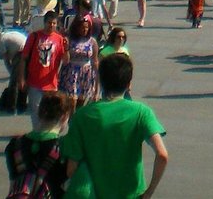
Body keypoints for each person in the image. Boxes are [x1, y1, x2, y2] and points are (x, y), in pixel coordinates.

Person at [61, 53, 168, 199]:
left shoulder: (82, 115)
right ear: (128, 83)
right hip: (131, 194)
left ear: (101, 80)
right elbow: (162, 155)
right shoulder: (142, 112)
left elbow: (71, 169)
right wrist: (149, 191)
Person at [4, 89, 71, 197]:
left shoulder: (14, 145)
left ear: (39, 113)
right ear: (64, 117)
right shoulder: (65, 148)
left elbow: (13, 185)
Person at [19, 7, 70, 131]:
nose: (51, 26)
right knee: (36, 113)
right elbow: (24, 58)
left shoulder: (59, 39)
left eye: (54, 23)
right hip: (34, 82)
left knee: (51, 113)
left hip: (51, 84)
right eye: (49, 23)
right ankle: (38, 134)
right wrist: (21, 78)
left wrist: (67, 48)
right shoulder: (34, 36)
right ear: (44, 22)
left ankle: (49, 135)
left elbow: (66, 60)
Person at [57, 13, 99, 109]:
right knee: (72, 101)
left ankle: (77, 120)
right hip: (71, 72)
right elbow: (65, 60)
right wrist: (66, 48)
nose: (85, 30)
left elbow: (95, 61)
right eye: (82, 27)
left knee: (81, 101)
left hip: (86, 73)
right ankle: (71, 120)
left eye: (87, 27)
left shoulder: (92, 41)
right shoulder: (69, 40)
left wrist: (96, 86)